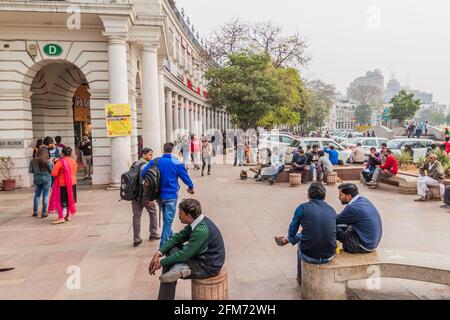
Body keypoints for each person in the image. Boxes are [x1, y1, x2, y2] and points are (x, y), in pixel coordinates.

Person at [149, 199, 225, 300]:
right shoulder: (195, 222)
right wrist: (158, 253)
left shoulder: (201, 230)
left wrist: (162, 262)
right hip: (198, 257)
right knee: (171, 246)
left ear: (188, 216)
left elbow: (184, 255)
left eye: (180, 213)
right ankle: (180, 267)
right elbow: (178, 237)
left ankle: (179, 270)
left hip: (207, 267)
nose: (178, 215)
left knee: (169, 264)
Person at [274, 183, 337, 286]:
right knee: (303, 234)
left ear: (308, 195)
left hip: (310, 255)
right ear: (324, 196)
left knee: (300, 240)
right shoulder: (332, 210)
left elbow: (292, 231)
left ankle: (300, 277)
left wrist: (290, 236)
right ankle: (287, 240)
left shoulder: (302, 208)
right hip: (329, 254)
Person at [141, 142, 194, 247]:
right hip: (171, 196)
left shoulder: (156, 161)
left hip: (159, 196)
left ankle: (171, 237)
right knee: (168, 221)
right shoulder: (176, 162)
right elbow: (185, 176)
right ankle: (163, 247)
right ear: (172, 150)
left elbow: (143, 173)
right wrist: (190, 187)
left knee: (167, 219)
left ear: (163, 150)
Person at [336, 184, 382, 253]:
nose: (339, 197)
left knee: (331, 227)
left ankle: (326, 252)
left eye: (341, 195)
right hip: (372, 242)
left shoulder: (353, 208)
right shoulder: (363, 200)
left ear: (348, 196)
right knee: (342, 226)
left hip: (364, 246)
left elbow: (335, 220)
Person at [131, 148, 160, 247]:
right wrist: (151, 197)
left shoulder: (135, 163)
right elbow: (149, 182)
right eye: (150, 155)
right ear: (143, 155)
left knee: (136, 216)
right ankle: (153, 233)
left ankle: (136, 238)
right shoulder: (146, 165)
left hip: (135, 196)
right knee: (153, 213)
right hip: (144, 195)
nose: (151, 157)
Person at [49, 147, 78, 225]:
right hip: (73, 183)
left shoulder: (60, 162)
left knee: (59, 201)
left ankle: (61, 217)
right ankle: (68, 216)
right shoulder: (74, 161)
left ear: (62, 154)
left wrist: (54, 164)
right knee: (69, 200)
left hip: (62, 184)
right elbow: (75, 171)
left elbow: (54, 173)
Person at [29, 146, 53, 218]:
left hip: (37, 179)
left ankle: (35, 212)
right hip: (46, 179)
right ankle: (44, 212)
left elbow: (31, 171)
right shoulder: (47, 161)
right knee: (45, 195)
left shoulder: (33, 161)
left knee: (37, 195)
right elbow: (51, 171)